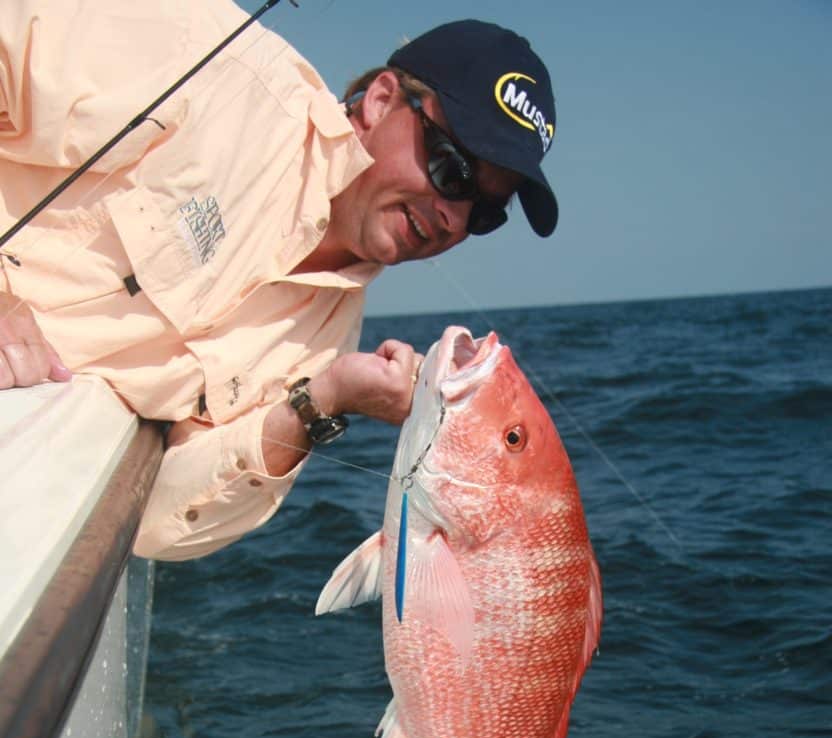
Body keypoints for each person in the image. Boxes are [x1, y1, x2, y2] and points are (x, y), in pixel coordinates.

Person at [0, 0, 558, 560]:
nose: (454, 219)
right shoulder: (207, 58)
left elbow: (160, 527)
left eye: (486, 212)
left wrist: (323, 400)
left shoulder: (327, 344)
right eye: (452, 171)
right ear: (382, 100)